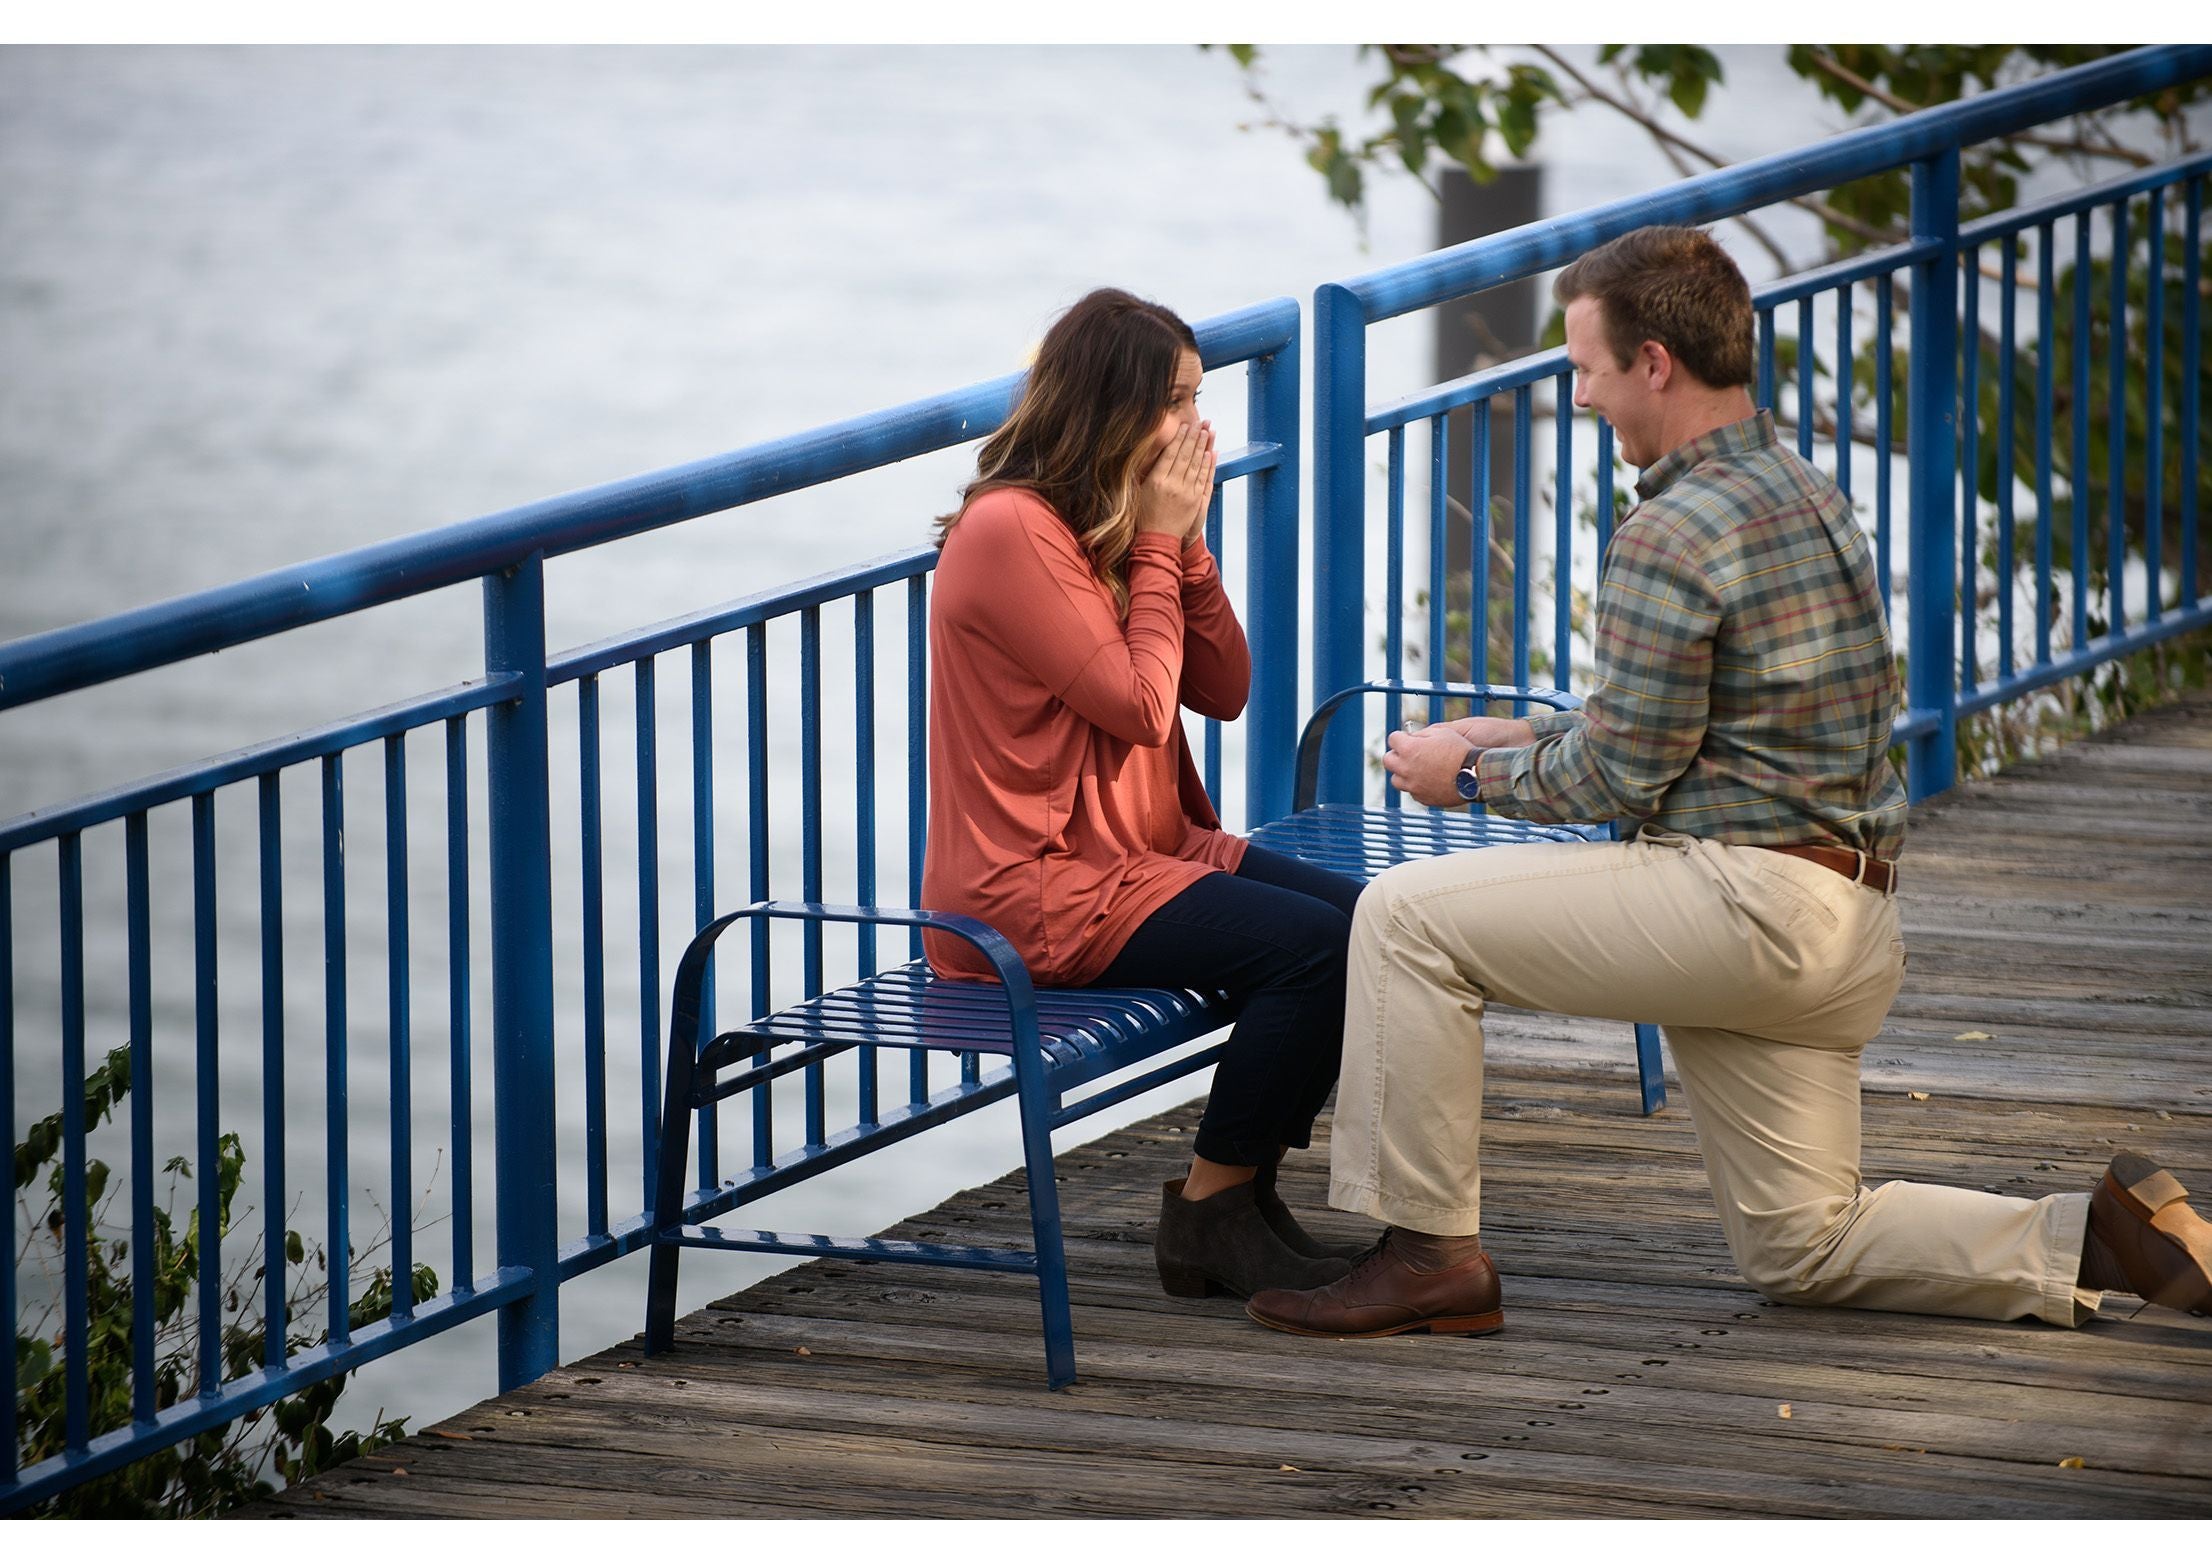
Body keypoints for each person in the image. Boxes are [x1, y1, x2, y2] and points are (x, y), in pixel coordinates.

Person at [1245, 225, 2212, 1341]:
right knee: (1803, 1243)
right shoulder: (1807, 495)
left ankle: (1426, 1255)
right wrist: (1525, 728)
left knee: (1404, 918)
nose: (1581, 395)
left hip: (1746, 912)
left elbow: (1620, 771)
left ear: (1654, 362)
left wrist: (1466, 773)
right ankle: (2093, 1237)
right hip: (1847, 924)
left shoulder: (1669, 529)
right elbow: (1686, 730)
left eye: (1587, 370)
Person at [925, 287, 1369, 1302]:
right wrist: (1163, 543)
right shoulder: (1011, 531)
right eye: (1174, 403)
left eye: (1197, 400)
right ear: (1110, 408)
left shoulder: (1111, 523)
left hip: (1145, 849)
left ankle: (1246, 1193)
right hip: (1035, 888)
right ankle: (1210, 1209)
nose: (1194, 428)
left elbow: (1221, 687)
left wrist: (1184, 540)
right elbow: (1136, 704)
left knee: (1373, 928)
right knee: (1311, 952)